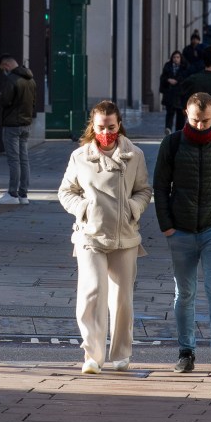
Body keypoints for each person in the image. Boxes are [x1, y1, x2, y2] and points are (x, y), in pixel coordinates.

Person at [153, 92, 211, 376]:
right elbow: (160, 185)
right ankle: (186, 352)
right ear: (186, 114)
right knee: (185, 293)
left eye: (205, 120)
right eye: (195, 120)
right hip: (180, 230)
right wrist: (166, 224)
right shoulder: (172, 143)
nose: (201, 125)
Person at [58, 101, 152, 375]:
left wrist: (133, 209)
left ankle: (121, 352)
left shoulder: (135, 155)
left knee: (122, 297)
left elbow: (144, 190)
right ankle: (92, 355)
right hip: (90, 235)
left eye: (111, 127)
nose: (106, 132)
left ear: (119, 124)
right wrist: (83, 209)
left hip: (124, 235)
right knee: (92, 293)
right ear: (93, 126)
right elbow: (66, 192)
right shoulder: (79, 157)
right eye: (100, 127)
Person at [0, 54, 36, 205]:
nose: (3, 71)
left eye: (3, 68)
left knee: (13, 160)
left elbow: (6, 100)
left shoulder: (11, 79)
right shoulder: (30, 79)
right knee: (24, 159)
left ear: (6, 65)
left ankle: (12, 194)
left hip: (12, 124)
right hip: (26, 124)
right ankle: (23, 194)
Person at [159, 50, 187, 135]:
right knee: (170, 113)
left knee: (180, 115)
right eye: (174, 57)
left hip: (180, 95)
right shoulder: (168, 66)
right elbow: (163, 77)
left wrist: (177, 81)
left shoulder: (184, 67)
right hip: (170, 94)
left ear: (180, 58)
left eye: (178, 57)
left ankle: (179, 132)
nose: (176, 59)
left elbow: (187, 79)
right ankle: (168, 129)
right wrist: (168, 80)